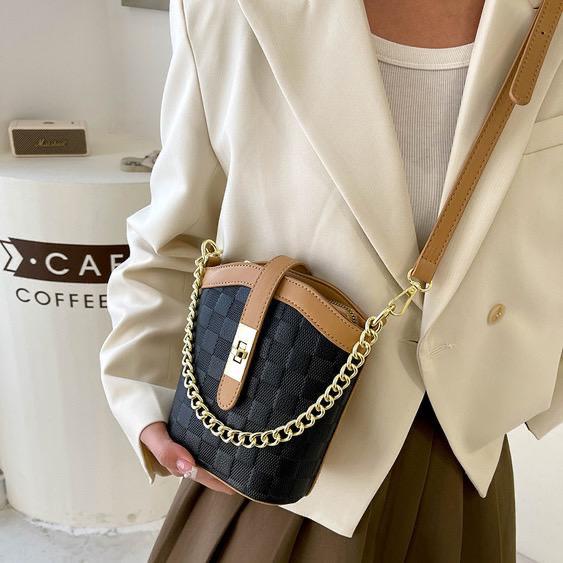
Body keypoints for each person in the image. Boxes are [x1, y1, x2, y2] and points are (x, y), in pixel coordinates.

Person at [99, 0, 563, 561]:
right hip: (276, 445)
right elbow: (178, 232)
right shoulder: (227, 10)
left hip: (463, 460)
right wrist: (146, 391)